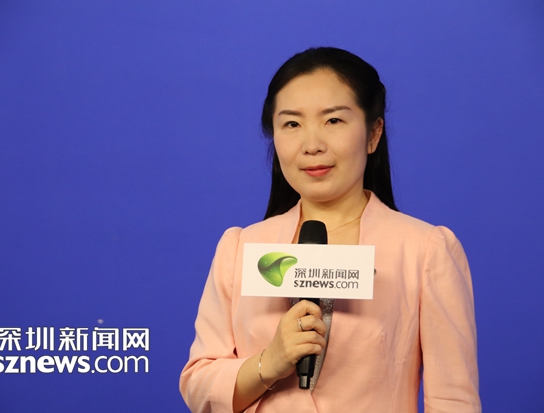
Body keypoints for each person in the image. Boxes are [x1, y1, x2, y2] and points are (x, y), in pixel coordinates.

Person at [180, 47, 481, 413]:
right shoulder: (241, 248)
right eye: (292, 124)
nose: (312, 146)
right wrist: (268, 363)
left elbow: (453, 401)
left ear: (373, 133)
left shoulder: (424, 250)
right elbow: (199, 386)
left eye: (333, 121)